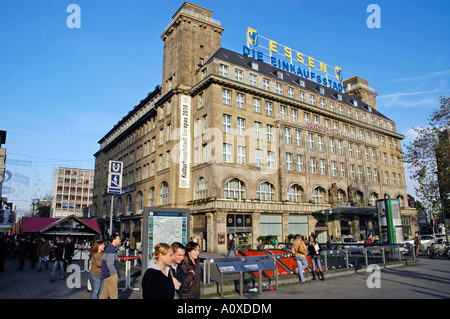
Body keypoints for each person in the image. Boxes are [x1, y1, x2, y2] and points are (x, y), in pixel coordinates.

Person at [99, 234, 121, 299]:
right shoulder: (111, 250)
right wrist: (115, 273)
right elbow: (110, 264)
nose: (120, 240)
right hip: (111, 274)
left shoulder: (109, 248)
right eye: (118, 239)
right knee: (113, 295)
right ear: (113, 240)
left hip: (106, 273)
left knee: (105, 293)